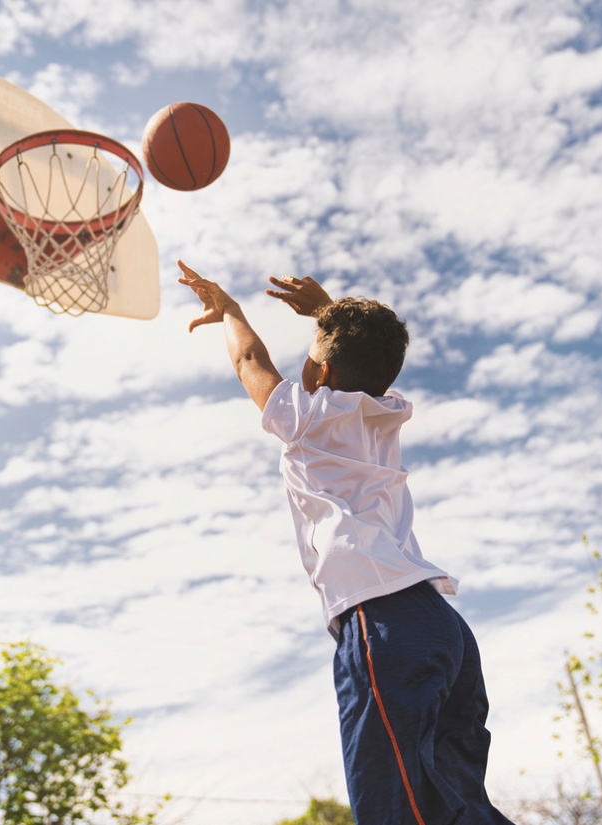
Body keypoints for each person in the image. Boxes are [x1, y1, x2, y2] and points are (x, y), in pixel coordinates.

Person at [178, 260, 516, 825]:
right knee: (459, 805)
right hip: (444, 628)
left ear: (323, 368)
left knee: (395, 809)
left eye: (311, 352)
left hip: (385, 622)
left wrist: (231, 311)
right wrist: (325, 314)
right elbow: (363, 354)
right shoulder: (388, 410)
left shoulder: (307, 418)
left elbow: (248, 361)